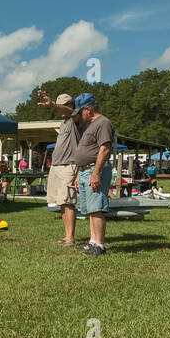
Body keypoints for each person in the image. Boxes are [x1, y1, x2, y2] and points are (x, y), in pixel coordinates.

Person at [70, 93, 115, 256]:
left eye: (81, 112)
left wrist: (95, 173)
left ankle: (100, 245)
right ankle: (93, 242)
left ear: (88, 109)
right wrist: (78, 175)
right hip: (85, 171)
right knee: (90, 209)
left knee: (96, 207)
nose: (81, 116)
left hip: (93, 170)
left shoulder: (103, 123)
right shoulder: (92, 125)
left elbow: (105, 148)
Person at [37, 90, 82, 246]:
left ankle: (70, 237)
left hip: (68, 165)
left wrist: (53, 105)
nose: (60, 110)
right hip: (57, 166)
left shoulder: (76, 119)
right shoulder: (63, 123)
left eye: (63, 106)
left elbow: (72, 113)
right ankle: (67, 235)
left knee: (68, 201)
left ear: (70, 106)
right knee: (61, 202)